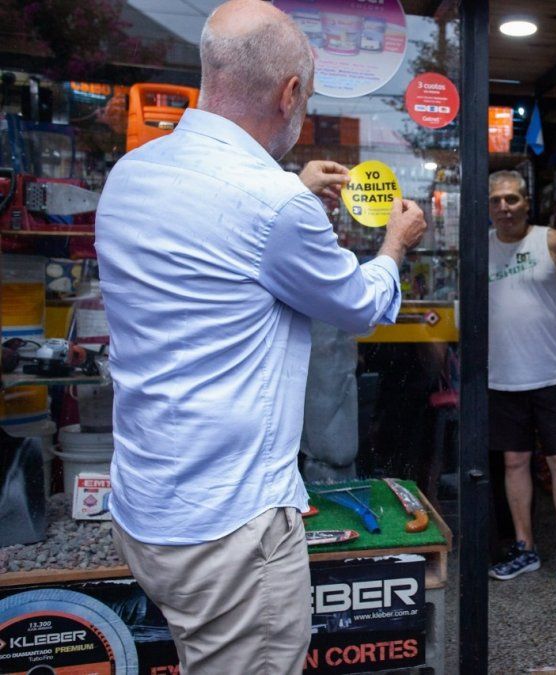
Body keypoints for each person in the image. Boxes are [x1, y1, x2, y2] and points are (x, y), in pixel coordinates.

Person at [94, 1, 426, 673]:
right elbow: (360, 304)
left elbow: (217, 244)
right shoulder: (275, 204)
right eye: (308, 95)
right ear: (290, 92)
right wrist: (395, 243)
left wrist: (290, 191)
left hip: (147, 508)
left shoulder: (132, 172)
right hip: (229, 531)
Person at [486, 170, 556, 596]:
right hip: (502, 378)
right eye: (496, 200)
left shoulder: (552, 242)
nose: (504, 207)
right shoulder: (480, 247)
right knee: (514, 462)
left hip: (553, 375)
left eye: (512, 199)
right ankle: (525, 547)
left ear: (527, 202)